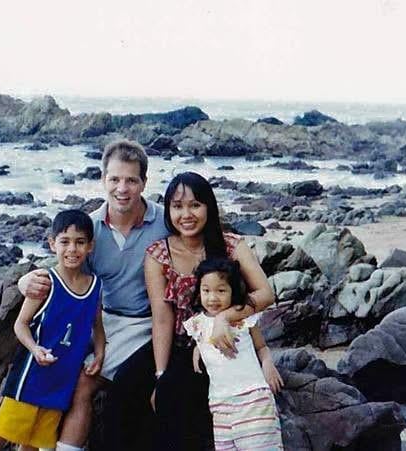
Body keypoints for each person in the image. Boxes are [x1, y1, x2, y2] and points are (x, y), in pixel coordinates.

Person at [17, 140, 169, 451]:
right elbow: (66, 265)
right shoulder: (91, 227)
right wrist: (24, 280)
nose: (122, 188)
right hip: (98, 320)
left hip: (143, 324)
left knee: (84, 383)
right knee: (46, 368)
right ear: (103, 180)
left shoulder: (165, 222)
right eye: (114, 179)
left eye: (131, 180)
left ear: (144, 183)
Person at [145, 171, 276, 451]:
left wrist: (225, 317)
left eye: (195, 205)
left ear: (209, 207)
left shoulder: (230, 245)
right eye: (177, 206)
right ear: (168, 211)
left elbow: (266, 294)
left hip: (222, 344)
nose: (186, 214)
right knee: (124, 390)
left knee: (181, 396)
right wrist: (160, 372)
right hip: (181, 342)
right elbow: (162, 317)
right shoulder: (158, 253)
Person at [0, 210, 105, 451]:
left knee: (33, 444)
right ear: (52, 243)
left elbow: (97, 326)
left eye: (80, 242)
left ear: (90, 246)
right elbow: (20, 324)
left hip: (61, 383)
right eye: (64, 242)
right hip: (30, 378)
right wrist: (35, 349)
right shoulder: (46, 282)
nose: (72, 249)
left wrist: (99, 354)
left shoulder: (95, 286)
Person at [184, 258, 283, 451]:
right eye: (206, 290)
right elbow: (203, 342)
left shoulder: (242, 318)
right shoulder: (196, 324)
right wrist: (198, 350)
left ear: (233, 291)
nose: (212, 298)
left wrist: (268, 365)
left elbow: (261, 347)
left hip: (252, 398)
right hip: (220, 403)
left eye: (221, 290)